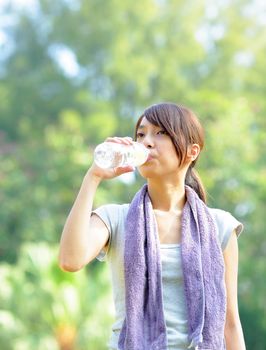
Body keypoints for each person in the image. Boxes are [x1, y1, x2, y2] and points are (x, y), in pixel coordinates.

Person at [59, 102, 246, 350]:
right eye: (141, 133)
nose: (146, 142)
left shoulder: (219, 225)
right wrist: (93, 177)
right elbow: (70, 260)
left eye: (161, 133)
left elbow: (230, 322)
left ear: (192, 151)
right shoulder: (115, 218)